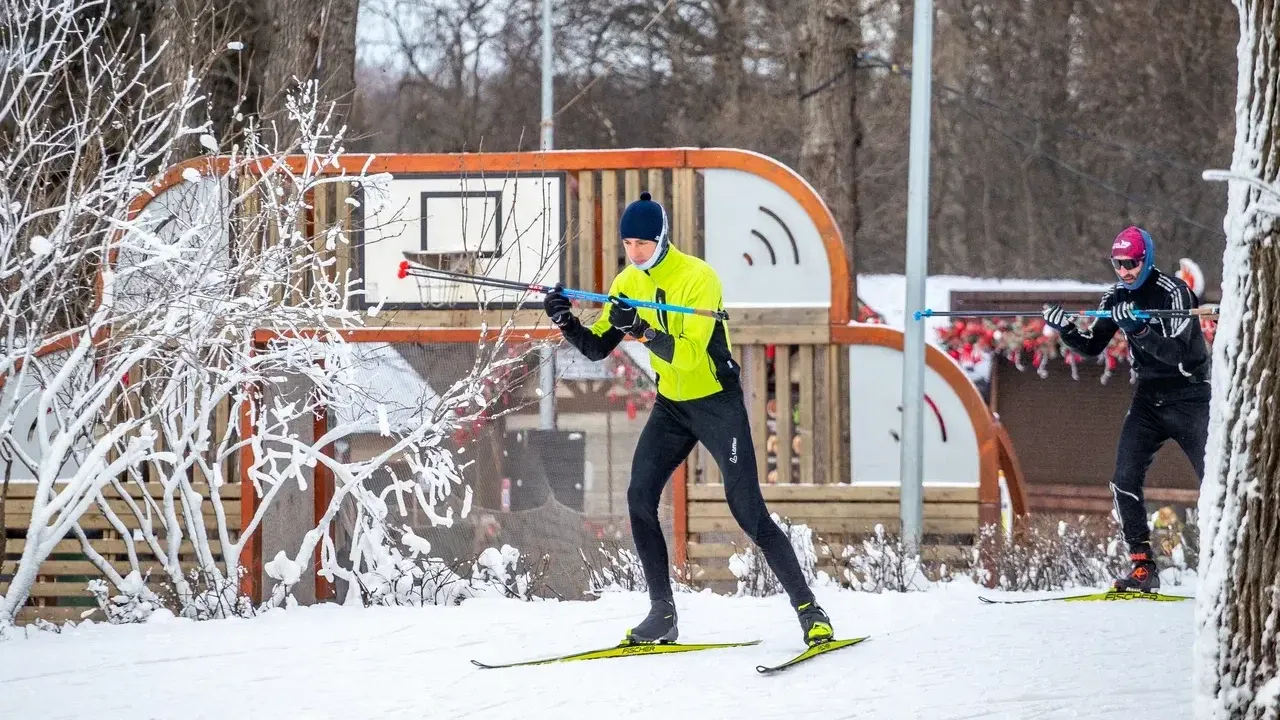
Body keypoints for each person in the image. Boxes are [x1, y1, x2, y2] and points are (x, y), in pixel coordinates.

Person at [542, 191, 833, 647]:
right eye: (628, 245)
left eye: (643, 243)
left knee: (749, 513)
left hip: (716, 403)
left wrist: (640, 329)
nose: (634, 253)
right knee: (639, 496)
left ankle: (809, 611)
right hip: (673, 406)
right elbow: (599, 347)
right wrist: (566, 322)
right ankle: (662, 613)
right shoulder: (626, 283)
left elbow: (688, 355)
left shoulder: (700, 279)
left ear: (662, 239)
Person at [1041, 226, 1210, 593]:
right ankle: (1142, 566)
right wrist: (1066, 328)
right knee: (1124, 478)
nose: (1125, 272)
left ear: (1146, 259)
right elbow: (1091, 346)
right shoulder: (1115, 296)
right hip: (1148, 398)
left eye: (1132, 263)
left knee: (1214, 480)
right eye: (1118, 264)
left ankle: (1225, 558)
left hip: (1189, 394)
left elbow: (1177, 353)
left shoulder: (1174, 293)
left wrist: (1138, 329)